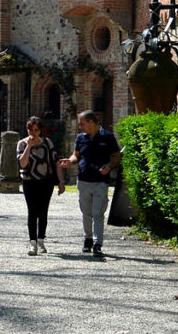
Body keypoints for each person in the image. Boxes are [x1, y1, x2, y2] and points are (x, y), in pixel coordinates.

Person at [60, 110, 121, 257]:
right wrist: (70, 161)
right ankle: (87, 240)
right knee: (86, 213)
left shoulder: (108, 137)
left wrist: (109, 166)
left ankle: (97, 244)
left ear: (91, 122)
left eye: (82, 123)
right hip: (83, 180)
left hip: (100, 181)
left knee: (98, 214)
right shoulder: (81, 138)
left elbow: (116, 156)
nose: (80, 126)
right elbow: (76, 155)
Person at [16, 116, 64, 256]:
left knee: (43, 211)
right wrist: (29, 146)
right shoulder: (22, 144)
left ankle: (41, 240)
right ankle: (32, 243)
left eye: (36, 130)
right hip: (29, 181)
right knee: (32, 211)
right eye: (30, 129)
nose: (33, 133)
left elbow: (56, 163)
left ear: (40, 130)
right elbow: (22, 163)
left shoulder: (48, 143)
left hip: (46, 181)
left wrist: (61, 181)